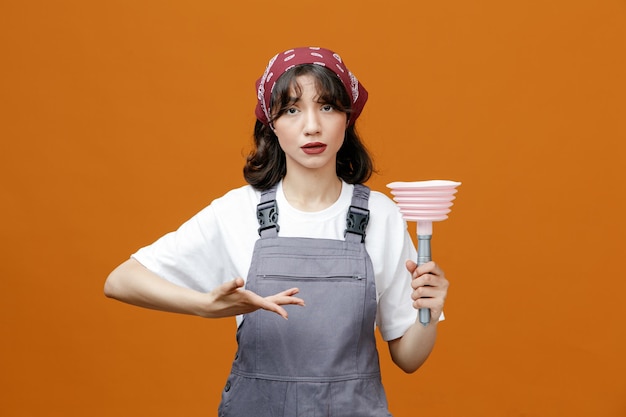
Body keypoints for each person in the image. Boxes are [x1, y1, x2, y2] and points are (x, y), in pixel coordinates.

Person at [104, 46, 449, 416]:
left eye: (327, 106)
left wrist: (429, 309)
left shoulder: (382, 215)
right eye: (292, 109)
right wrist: (205, 306)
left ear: (347, 118)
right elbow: (121, 281)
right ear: (271, 123)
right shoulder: (239, 211)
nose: (312, 125)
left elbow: (409, 357)